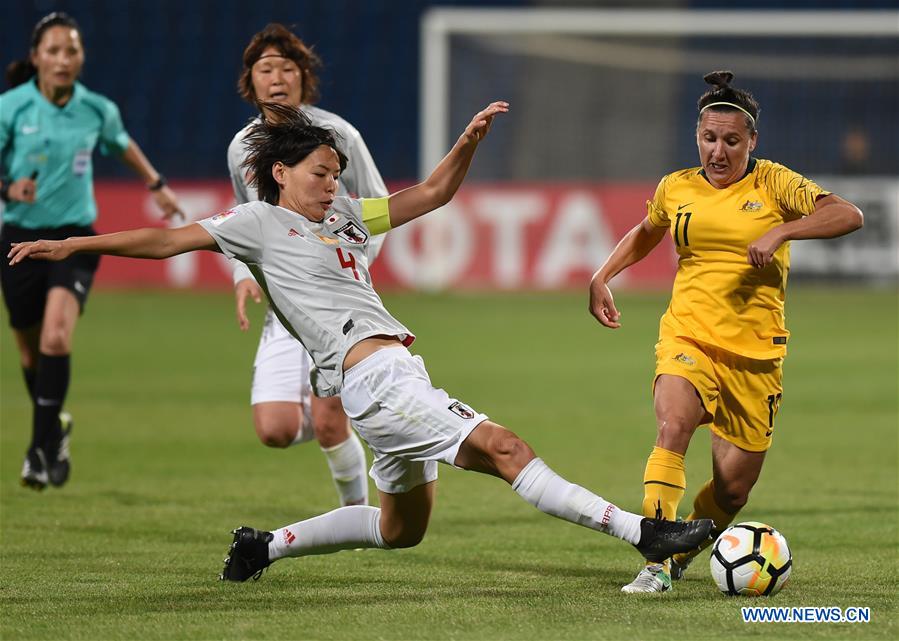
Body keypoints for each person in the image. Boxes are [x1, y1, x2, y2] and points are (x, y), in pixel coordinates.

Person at [8, 101, 713, 583]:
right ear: (281, 173)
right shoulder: (255, 222)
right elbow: (166, 238)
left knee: (401, 528)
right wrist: (69, 242)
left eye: (335, 173)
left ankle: (266, 545)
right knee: (507, 449)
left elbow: (431, 194)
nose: (331, 184)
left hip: (392, 375)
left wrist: (466, 143)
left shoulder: (344, 214)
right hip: (376, 380)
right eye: (320, 173)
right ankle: (640, 532)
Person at [588, 71, 864, 593]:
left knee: (733, 492)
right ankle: (655, 562)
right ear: (698, 137)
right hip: (688, 336)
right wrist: (603, 274)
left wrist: (782, 228)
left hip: (756, 358)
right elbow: (649, 230)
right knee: (673, 427)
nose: (719, 151)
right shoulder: (677, 186)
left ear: (751, 142)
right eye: (709, 139)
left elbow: (846, 214)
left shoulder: (775, 184)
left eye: (731, 141)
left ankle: (683, 551)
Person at [0, 12, 183, 491]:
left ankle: (38, 453)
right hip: (19, 238)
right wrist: (7, 187)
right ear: (37, 56)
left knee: (56, 338)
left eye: (72, 50)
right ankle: (55, 428)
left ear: (82, 57)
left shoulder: (96, 109)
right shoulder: (12, 108)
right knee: (29, 351)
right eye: (54, 50)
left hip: (73, 238)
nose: (63, 59)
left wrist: (156, 184)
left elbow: (122, 145)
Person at [227, 24, 387, 508]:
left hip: (338, 304)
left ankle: (357, 515)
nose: (277, 78)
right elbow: (241, 217)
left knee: (332, 418)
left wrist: (353, 263)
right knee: (274, 430)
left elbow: (377, 204)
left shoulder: (338, 135)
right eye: (265, 69)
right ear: (250, 81)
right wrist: (241, 275)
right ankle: (332, 421)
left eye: (287, 68)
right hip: (283, 306)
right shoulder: (242, 149)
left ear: (304, 79)